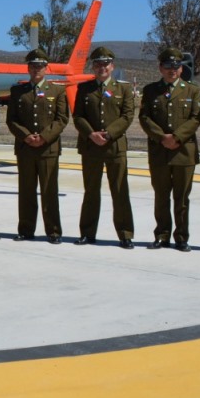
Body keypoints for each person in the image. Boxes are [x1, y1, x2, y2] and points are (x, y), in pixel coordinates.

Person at [139, 47, 200, 251]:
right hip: (160, 151)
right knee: (161, 196)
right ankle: (162, 234)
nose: (172, 70)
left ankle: (182, 237)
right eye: (167, 66)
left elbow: (195, 118)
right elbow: (144, 117)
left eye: (176, 66)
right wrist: (162, 137)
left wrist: (176, 137)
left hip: (183, 151)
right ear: (160, 67)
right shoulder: (150, 90)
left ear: (181, 69)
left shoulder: (192, 90)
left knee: (182, 197)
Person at [72, 46, 135, 248]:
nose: (102, 68)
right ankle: (87, 232)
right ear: (93, 66)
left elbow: (127, 115)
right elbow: (78, 116)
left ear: (112, 66)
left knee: (120, 191)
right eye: (98, 64)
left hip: (115, 147)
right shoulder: (84, 88)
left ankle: (125, 234)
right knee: (91, 191)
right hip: (91, 147)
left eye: (105, 64)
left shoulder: (123, 89)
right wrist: (91, 134)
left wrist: (108, 134)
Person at [6, 49, 68, 243]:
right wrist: (26, 137)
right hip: (25, 149)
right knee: (26, 191)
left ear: (46, 68)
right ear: (28, 68)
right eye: (33, 66)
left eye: (40, 66)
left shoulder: (57, 90)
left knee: (49, 191)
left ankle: (54, 231)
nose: (36, 70)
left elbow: (62, 118)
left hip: (48, 149)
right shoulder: (17, 91)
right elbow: (11, 120)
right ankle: (25, 229)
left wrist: (43, 137)